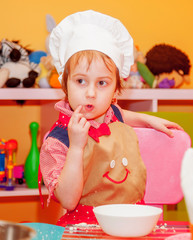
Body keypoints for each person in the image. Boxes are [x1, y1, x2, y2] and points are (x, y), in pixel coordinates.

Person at [39, 10, 183, 226]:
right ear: (65, 84)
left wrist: (147, 120)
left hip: (131, 222)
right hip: (85, 228)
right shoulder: (57, 140)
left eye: (102, 83)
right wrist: (77, 147)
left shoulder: (111, 114)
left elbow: (122, 114)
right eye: (80, 81)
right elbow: (68, 201)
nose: (90, 93)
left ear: (116, 91)